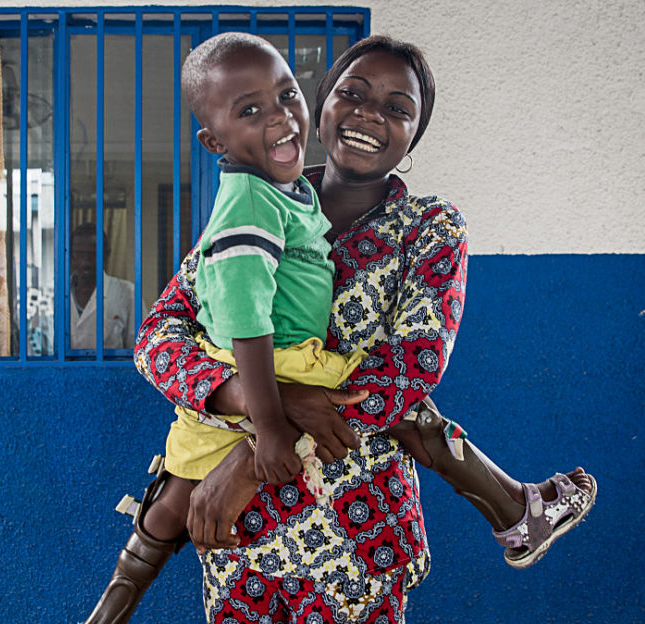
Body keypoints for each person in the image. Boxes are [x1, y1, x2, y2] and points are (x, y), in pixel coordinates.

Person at [83, 34, 596, 624]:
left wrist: (254, 456)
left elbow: (410, 369)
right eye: (353, 94)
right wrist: (251, 396)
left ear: (412, 139)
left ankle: (514, 506)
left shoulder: (428, 230)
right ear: (322, 106)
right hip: (242, 548)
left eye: (398, 108)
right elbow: (157, 339)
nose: (371, 115)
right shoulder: (256, 203)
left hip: (356, 543)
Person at [70, 222, 135, 350]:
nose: (85, 263)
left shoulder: (126, 293)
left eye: (92, 255)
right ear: (71, 255)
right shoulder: (57, 294)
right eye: (79, 254)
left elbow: (139, 348)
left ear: (106, 255)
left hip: (112, 370)